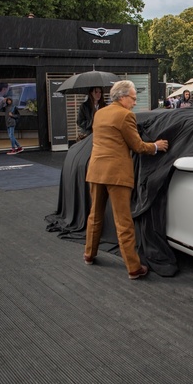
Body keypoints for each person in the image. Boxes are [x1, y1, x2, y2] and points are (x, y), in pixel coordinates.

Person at [83, 80, 169, 278]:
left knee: (95, 215)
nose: (134, 102)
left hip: (96, 170)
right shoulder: (125, 115)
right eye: (133, 98)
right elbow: (138, 146)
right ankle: (133, 267)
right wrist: (156, 146)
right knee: (123, 222)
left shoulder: (100, 113)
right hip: (117, 174)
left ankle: (89, 254)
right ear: (122, 97)